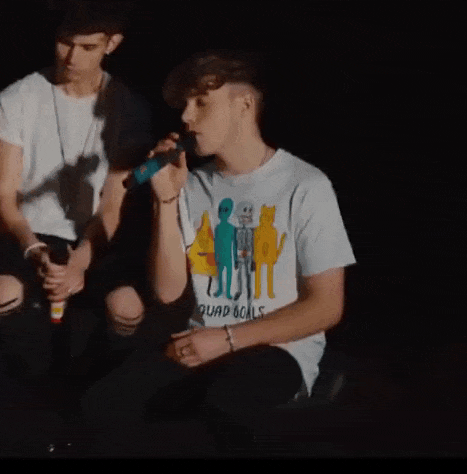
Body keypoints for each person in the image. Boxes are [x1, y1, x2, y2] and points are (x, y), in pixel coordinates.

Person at [82, 50, 355, 455]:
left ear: (243, 104)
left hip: (276, 350)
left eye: (201, 102)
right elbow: (168, 292)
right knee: (103, 404)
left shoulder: (305, 185)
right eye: (184, 104)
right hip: (202, 343)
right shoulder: (194, 185)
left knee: (225, 405)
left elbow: (327, 307)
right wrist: (166, 201)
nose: (186, 116)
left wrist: (228, 338)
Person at [0, 0, 154, 381]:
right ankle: (31, 387)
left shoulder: (128, 107)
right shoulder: (18, 97)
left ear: (112, 44)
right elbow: (6, 199)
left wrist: (80, 262)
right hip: (27, 231)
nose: (72, 57)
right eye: (65, 43)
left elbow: (112, 206)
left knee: (127, 308)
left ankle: (95, 390)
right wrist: (34, 250)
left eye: (88, 47)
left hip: (95, 235)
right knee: (2, 293)